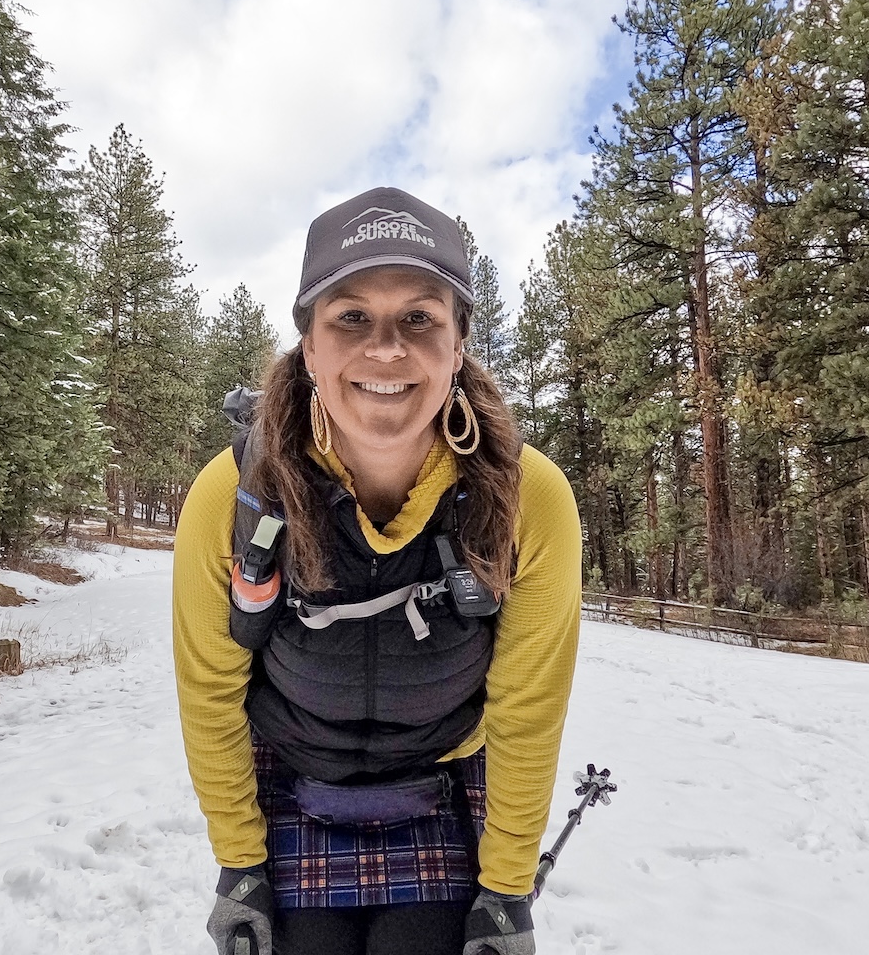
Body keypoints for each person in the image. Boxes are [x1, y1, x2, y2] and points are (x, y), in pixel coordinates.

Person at [173, 187, 581, 955]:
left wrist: (504, 892)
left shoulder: (531, 499)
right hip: (292, 780)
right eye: (352, 317)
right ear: (310, 346)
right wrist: (240, 867)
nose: (386, 349)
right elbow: (210, 694)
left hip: (443, 786)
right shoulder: (231, 496)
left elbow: (527, 713)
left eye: (420, 318)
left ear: (459, 345)